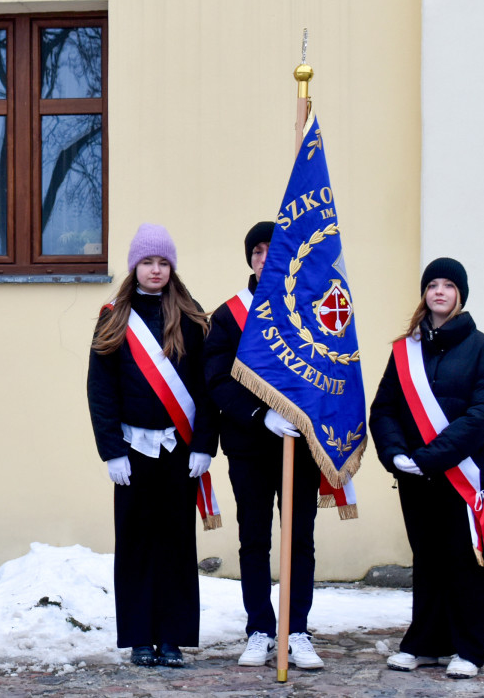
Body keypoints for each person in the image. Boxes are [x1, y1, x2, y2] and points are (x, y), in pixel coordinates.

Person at [86, 223, 216, 668]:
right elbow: (100, 390)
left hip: (179, 451)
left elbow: (205, 387)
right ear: (134, 266)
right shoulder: (114, 315)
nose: (156, 270)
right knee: (137, 544)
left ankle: (173, 638)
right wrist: (111, 451)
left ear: (171, 267)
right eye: (148, 262)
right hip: (132, 451)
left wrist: (204, 445)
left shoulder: (193, 316)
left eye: (163, 262)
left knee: (177, 543)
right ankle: (141, 637)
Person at [369, 257, 484, 680]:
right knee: (427, 560)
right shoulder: (405, 351)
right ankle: (427, 643)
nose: (439, 291)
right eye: (433, 285)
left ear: (460, 294)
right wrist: (395, 455)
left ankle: (468, 648)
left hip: (462, 474)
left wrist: (427, 457)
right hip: (415, 477)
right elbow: (385, 407)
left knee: (466, 562)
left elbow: (481, 416)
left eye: (449, 285)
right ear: (424, 293)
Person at [202, 221, 325, 670]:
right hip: (251, 444)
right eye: (257, 251)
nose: (264, 258)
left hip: (300, 444)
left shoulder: (308, 308)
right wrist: (261, 415)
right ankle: (259, 628)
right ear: (250, 259)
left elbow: (326, 371)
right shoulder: (229, 314)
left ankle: (297, 629)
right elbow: (215, 379)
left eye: (273, 251)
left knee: (300, 541)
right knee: (254, 539)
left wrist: (301, 417)